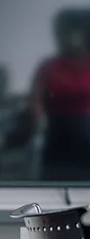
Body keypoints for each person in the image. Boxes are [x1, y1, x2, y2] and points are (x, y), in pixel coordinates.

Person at [31, 10, 90, 180]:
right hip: (56, 135)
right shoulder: (49, 67)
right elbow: (36, 102)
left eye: (75, 31)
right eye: (65, 32)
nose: (71, 37)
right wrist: (38, 121)